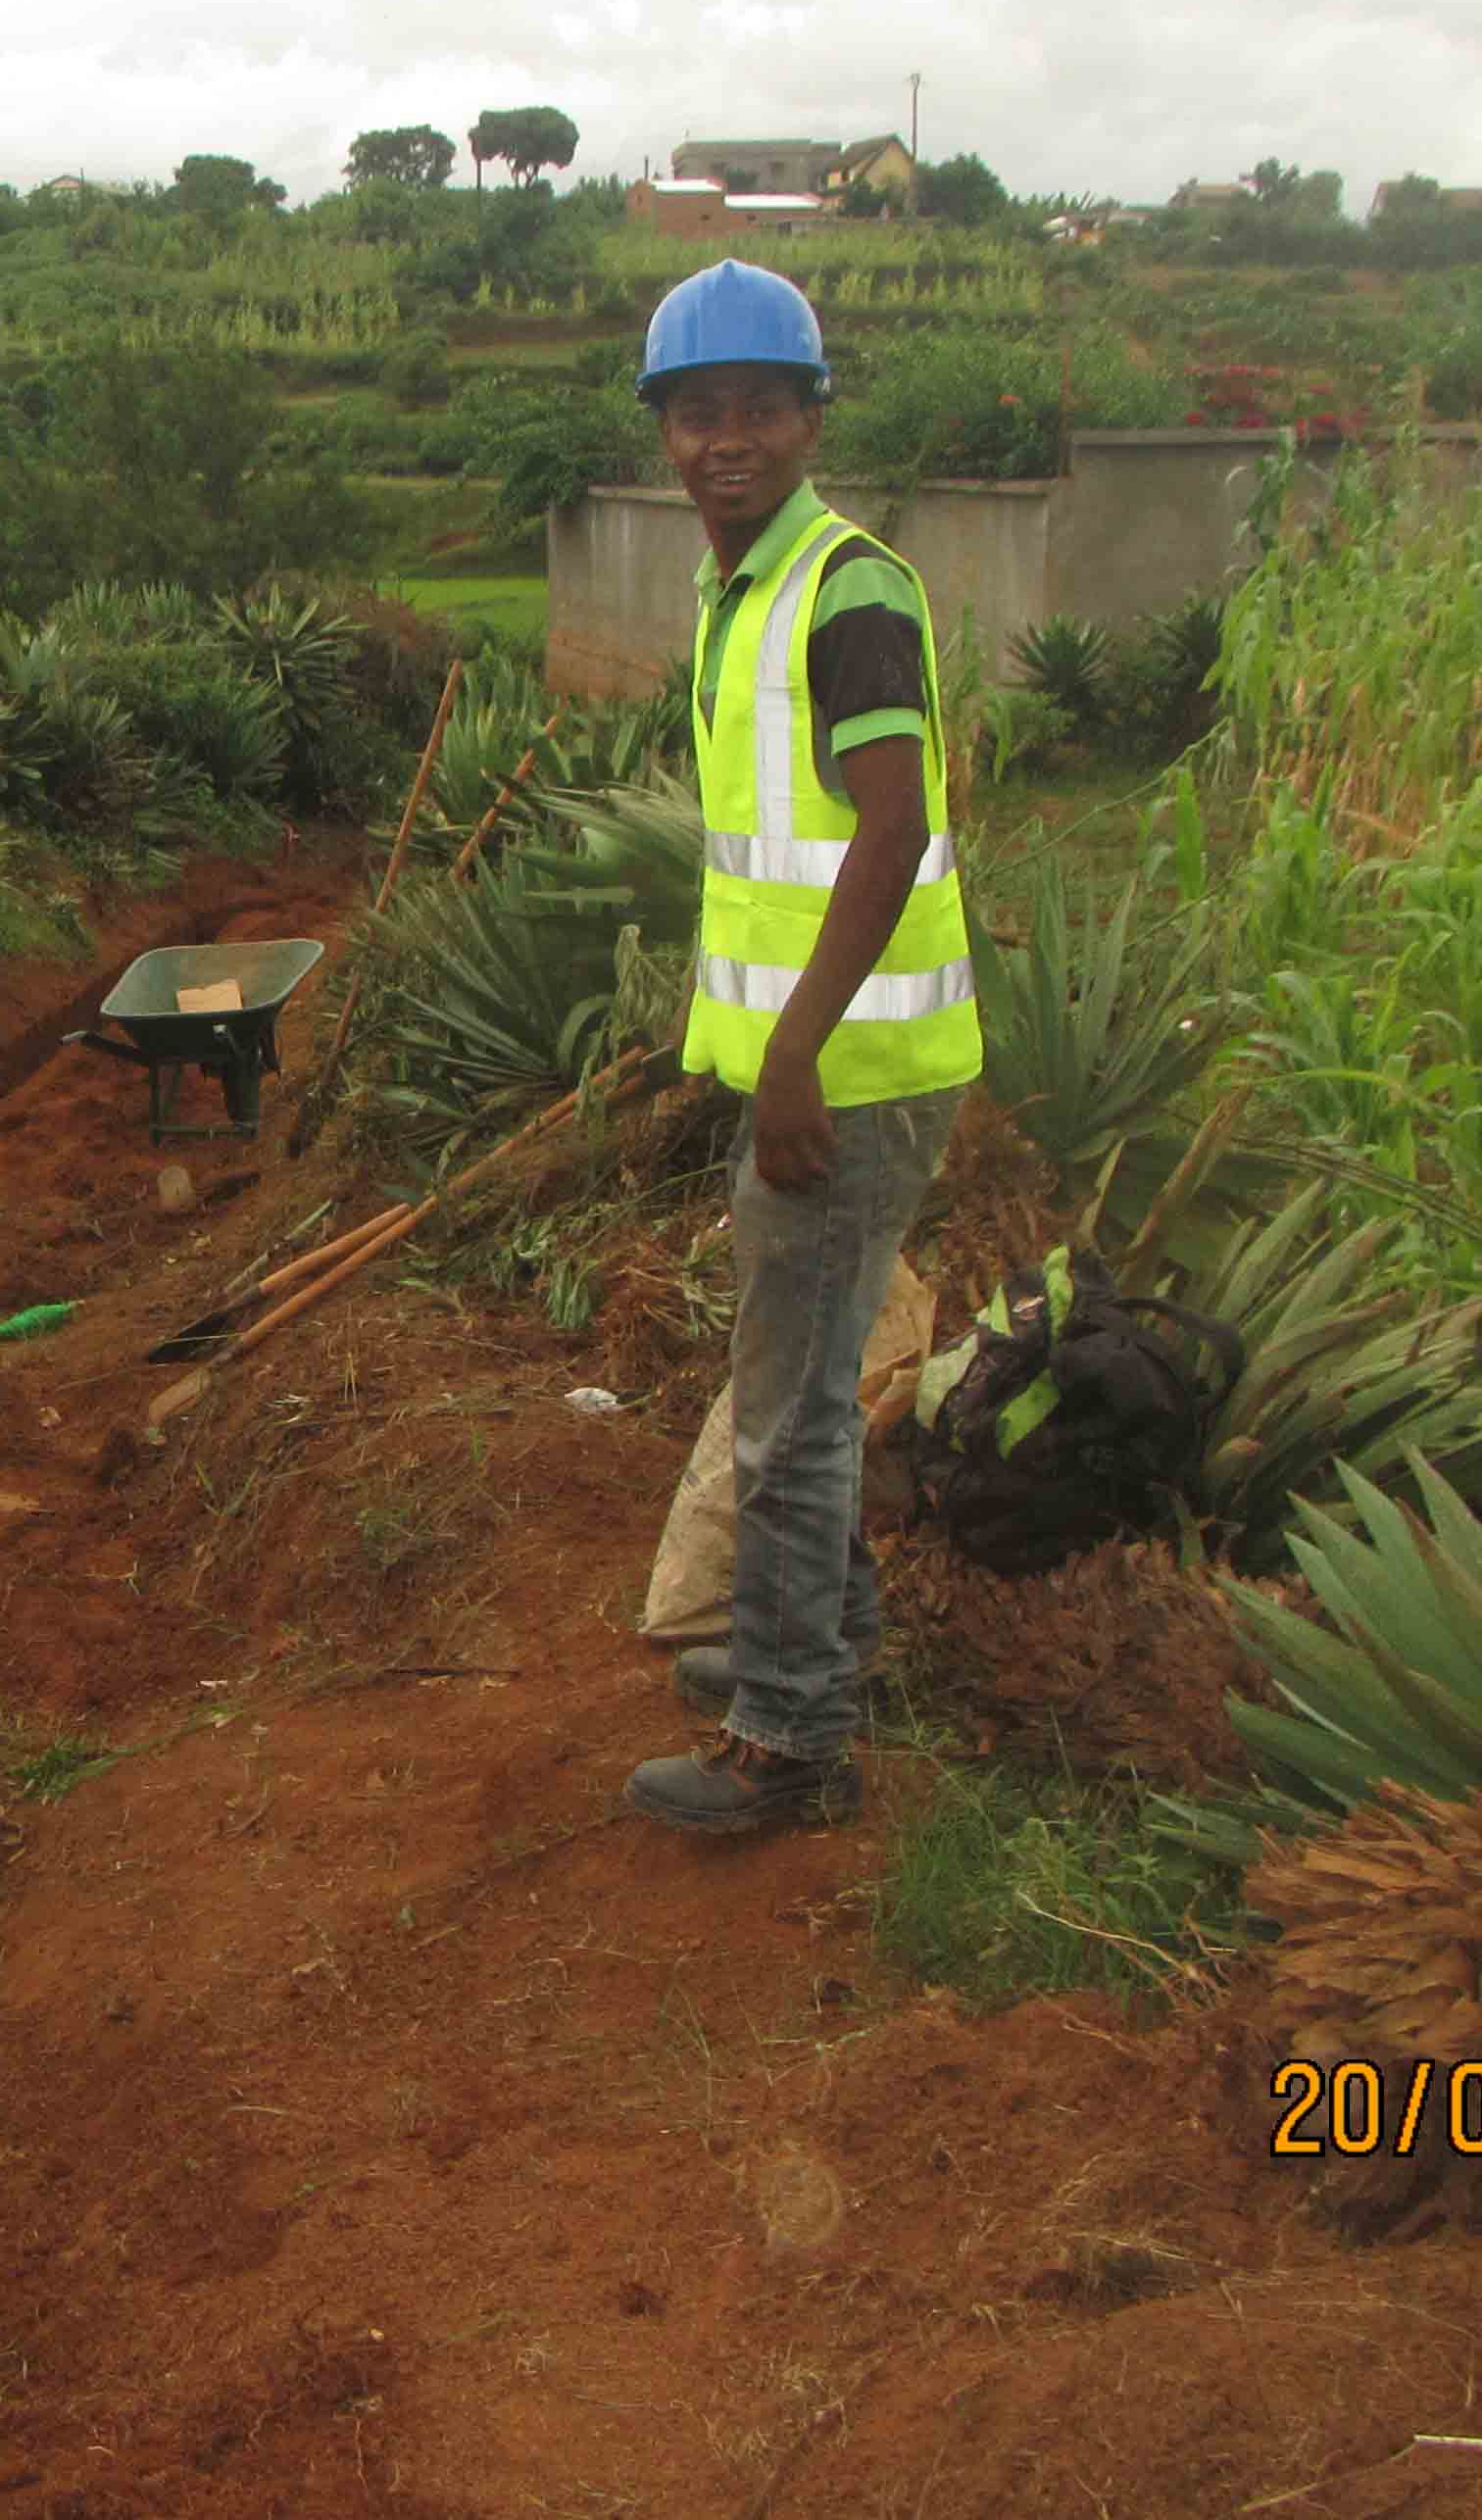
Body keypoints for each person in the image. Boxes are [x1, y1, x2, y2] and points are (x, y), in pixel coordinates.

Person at [620, 262, 978, 1837]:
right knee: (804, 1384)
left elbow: (891, 829)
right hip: (822, 1058)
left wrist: (794, 1061)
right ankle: (823, 1658)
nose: (727, 438)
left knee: (792, 1414)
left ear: (812, 417)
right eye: (700, 413)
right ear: (665, 433)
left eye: (761, 408)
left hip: (851, 1071)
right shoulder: (737, 589)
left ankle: (789, 1739)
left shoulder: (847, 592)